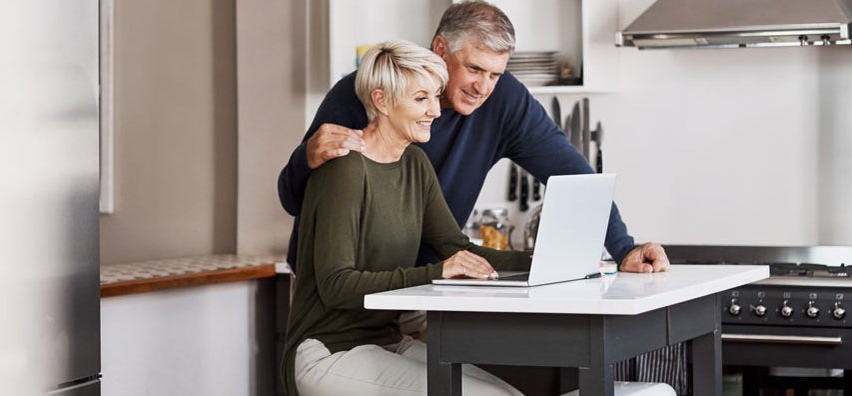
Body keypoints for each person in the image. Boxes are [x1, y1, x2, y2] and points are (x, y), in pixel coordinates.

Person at [277, 0, 669, 277]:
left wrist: (623, 249)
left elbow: (576, 177)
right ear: (441, 50)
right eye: (474, 68)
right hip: (341, 292)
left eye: (495, 74)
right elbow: (293, 199)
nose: (483, 87)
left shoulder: (506, 101)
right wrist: (306, 158)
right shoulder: (366, 93)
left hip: (426, 282)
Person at [281, 40, 531, 396]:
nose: (436, 111)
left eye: (435, 96)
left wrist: (542, 263)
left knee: (509, 393)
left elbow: (456, 248)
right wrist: (437, 271)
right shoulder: (345, 168)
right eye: (420, 99)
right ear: (381, 101)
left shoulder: (415, 163)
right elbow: (337, 285)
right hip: (329, 351)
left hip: (384, 340)